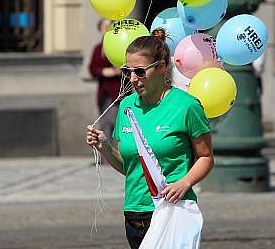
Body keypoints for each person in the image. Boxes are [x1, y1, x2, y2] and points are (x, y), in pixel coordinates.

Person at [86, 28, 214, 248]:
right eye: (127, 71)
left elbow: (206, 157)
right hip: (134, 216)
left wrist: (184, 183)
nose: (133, 79)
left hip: (173, 210)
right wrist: (104, 147)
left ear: (162, 67)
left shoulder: (186, 106)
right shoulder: (126, 106)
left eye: (140, 71)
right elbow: (130, 167)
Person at [88, 18, 121, 142]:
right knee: (104, 124)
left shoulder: (119, 46)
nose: (107, 29)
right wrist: (102, 71)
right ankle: (104, 157)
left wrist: (117, 71)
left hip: (117, 92)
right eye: (104, 26)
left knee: (114, 123)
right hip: (104, 93)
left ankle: (116, 156)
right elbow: (92, 68)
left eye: (110, 26)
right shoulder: (98, 48)